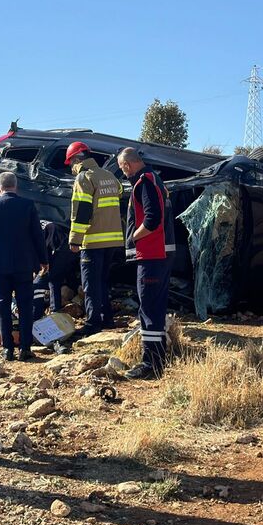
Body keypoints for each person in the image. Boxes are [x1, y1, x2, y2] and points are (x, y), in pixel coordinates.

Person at [0, 172, 48, 361]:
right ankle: (25, 348)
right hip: (24, 264)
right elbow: (37, 236)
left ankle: (7, 348)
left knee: (3, 305)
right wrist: (43, 259)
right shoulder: (27, 205)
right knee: (25, 306)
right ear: (15, 186)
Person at [120, 147, 175, 380]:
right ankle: (158, 358)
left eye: (123, 169)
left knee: (149, 308)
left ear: (127, 165)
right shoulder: (155, 180)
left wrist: (134, 236)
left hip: (152, 255)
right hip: (158, 254)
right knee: (155, 306)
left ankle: (150, 363)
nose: (124, 174)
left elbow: (152, 219)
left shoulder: (144, 182)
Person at [66, 141, 124, 337]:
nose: (72, 168)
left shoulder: (84, 178)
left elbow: (82, 211)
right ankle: (107, 319)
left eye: (71, 163)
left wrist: (75, 239)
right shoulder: (109, 176)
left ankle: (93, 323)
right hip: (113, 240)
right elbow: (120, 193)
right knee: (102, 281)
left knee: (90, 284)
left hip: (93, 241)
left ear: (76, 159)